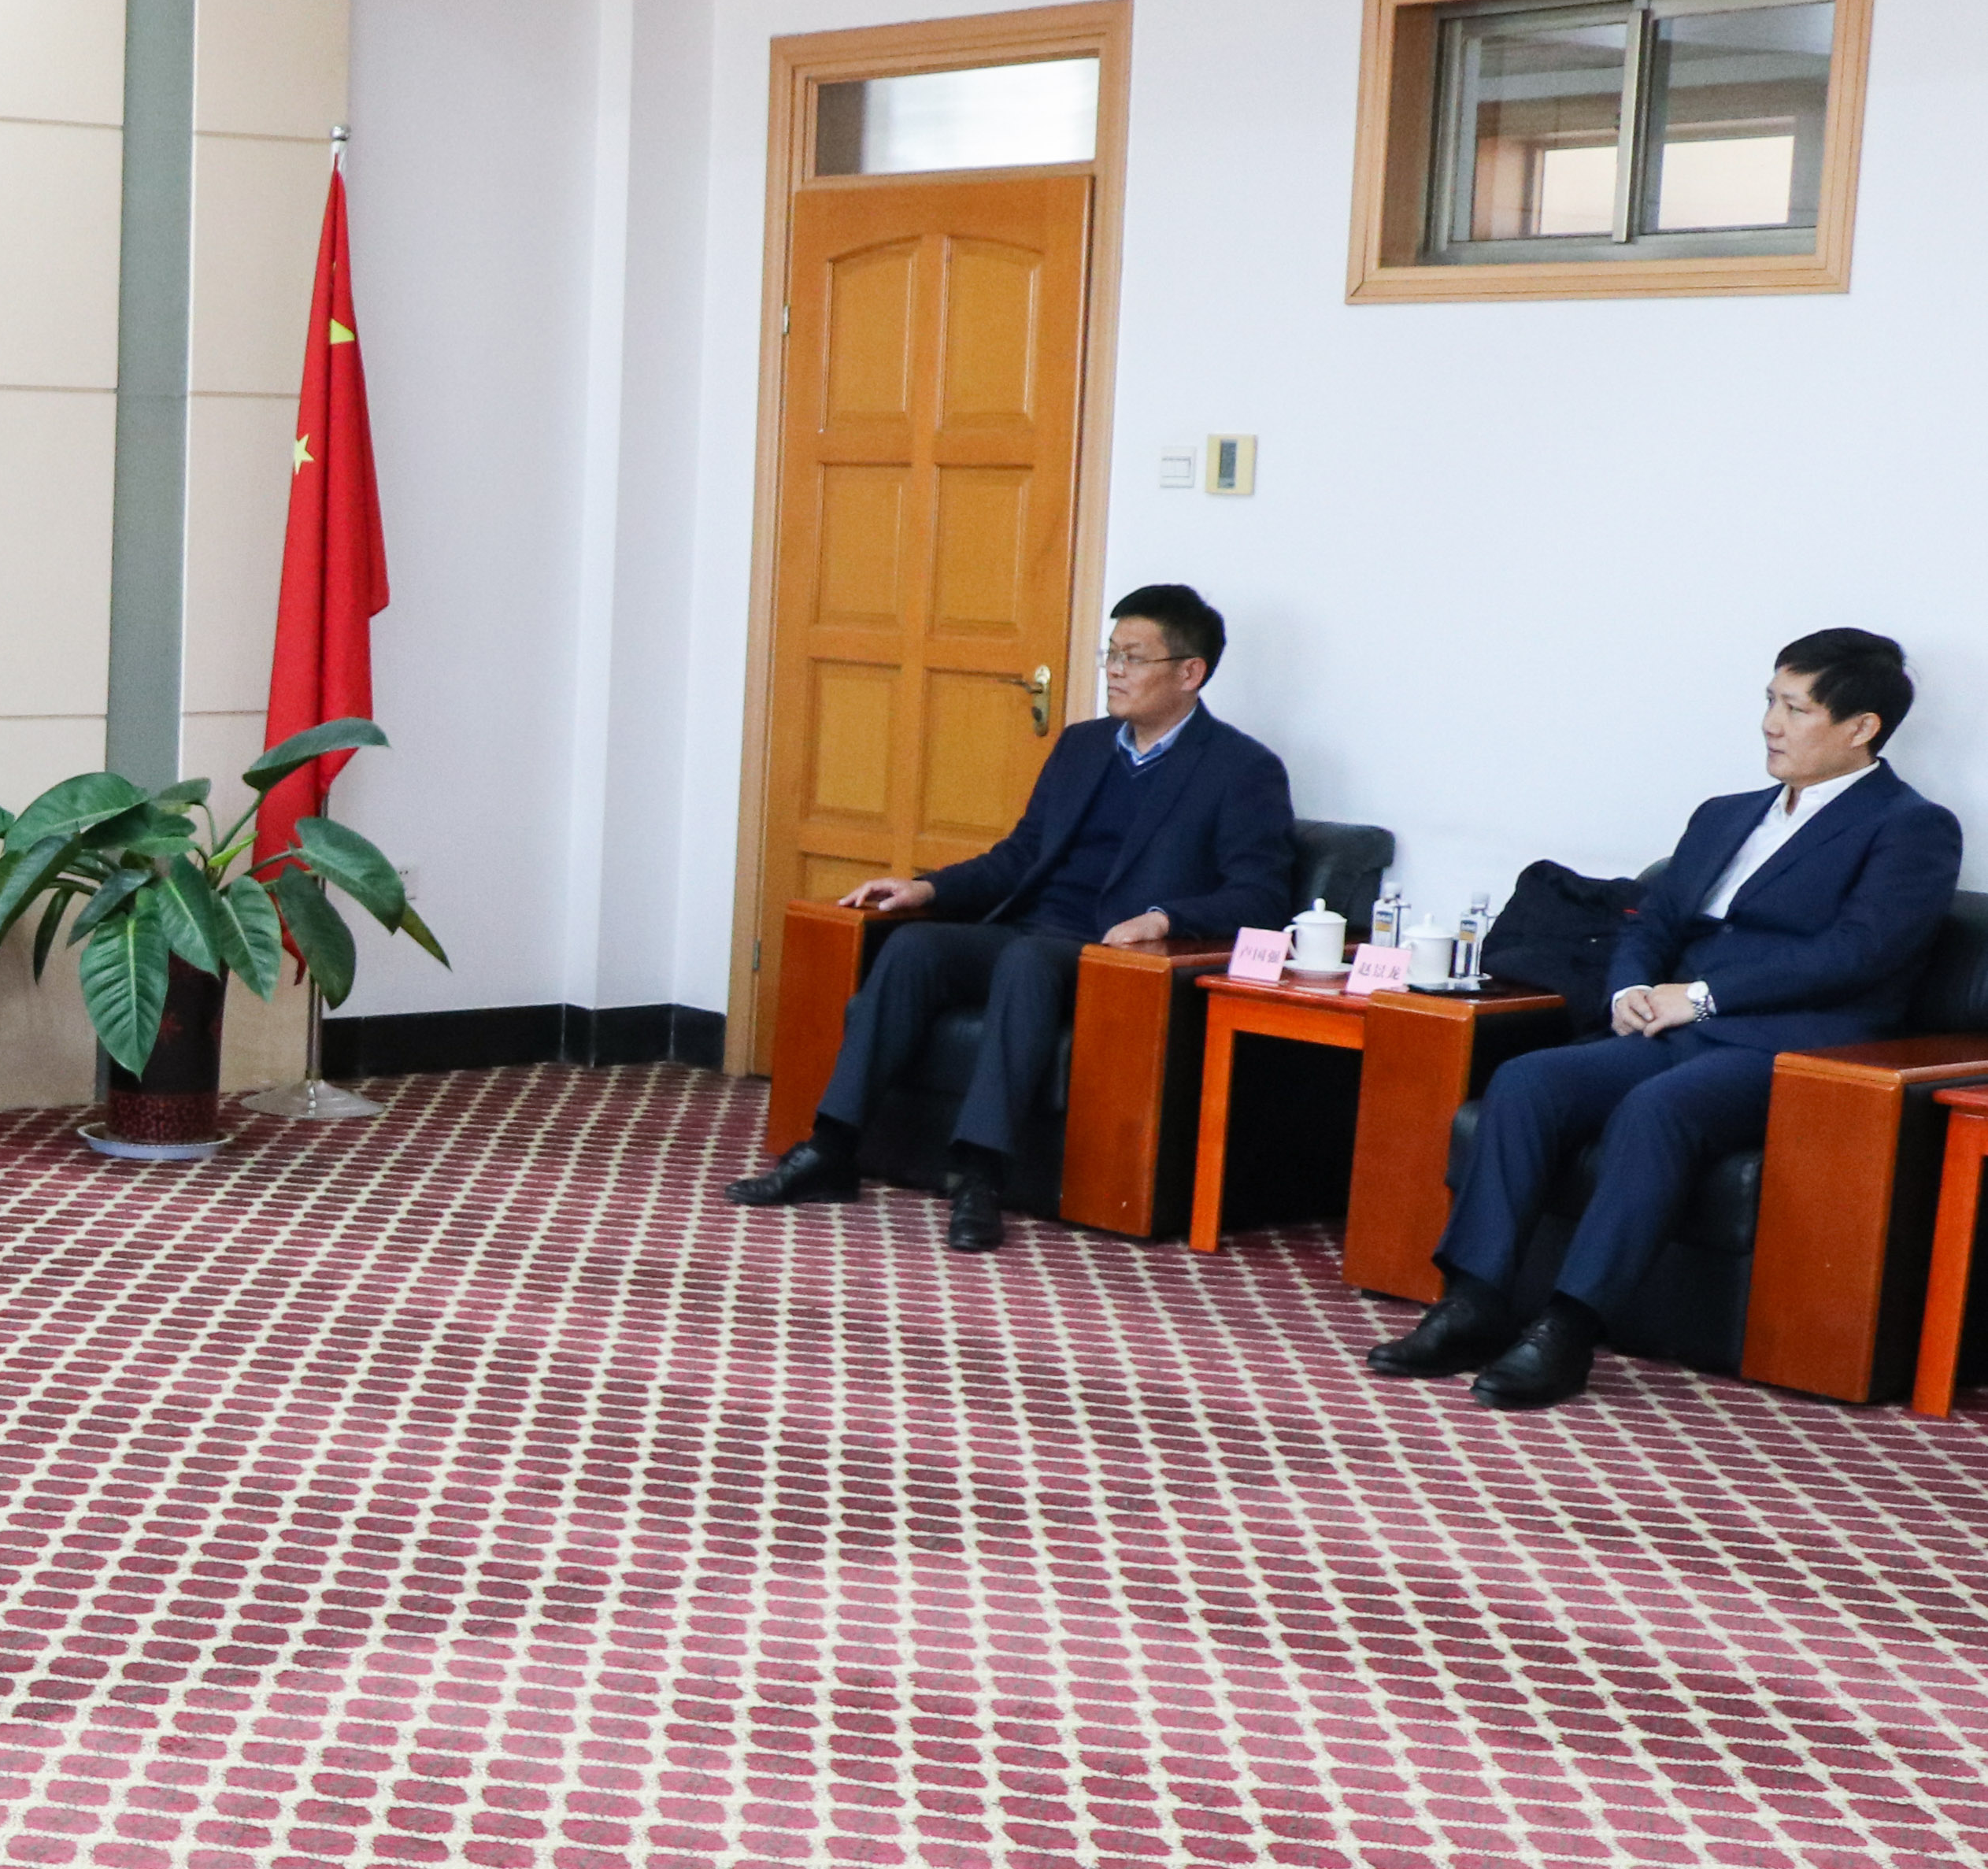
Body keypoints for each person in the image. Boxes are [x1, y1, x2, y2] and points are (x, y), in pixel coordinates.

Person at [1373, 627, 1963, 1412]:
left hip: (1793, 1045)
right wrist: (1629, 989)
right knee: (1527, 1081)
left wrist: (1704, 994)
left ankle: (1566, 1328)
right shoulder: (1725, 815)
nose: (1770, 724)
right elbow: (1651, 920)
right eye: (1769, 700)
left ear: (1860, 727)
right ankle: (1474, 1301)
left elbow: (1858, 951)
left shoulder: (1910, 826)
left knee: (1659, 1109)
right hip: (1671, 1026)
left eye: (1795, 708)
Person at [731, 582, 1297, 1253]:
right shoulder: (1083, 746)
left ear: (1189, 672)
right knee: (914, 947)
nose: (1114, 671)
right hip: (1029, 927)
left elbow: (1261, 895)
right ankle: (831, 1147)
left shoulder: (1241, 769)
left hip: (1112, 958)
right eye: (1110, 653)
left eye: (1132, 658)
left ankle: (979, 1173)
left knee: (1027, 962)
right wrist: (927, 887)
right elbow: (1021, 854)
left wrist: (1162, 918)